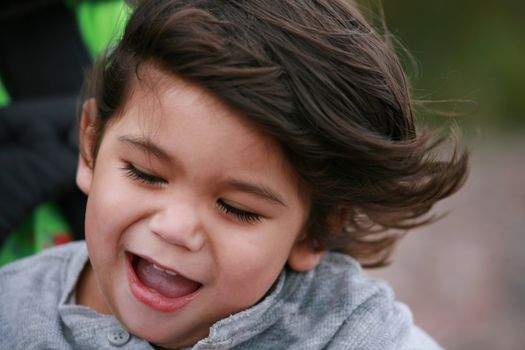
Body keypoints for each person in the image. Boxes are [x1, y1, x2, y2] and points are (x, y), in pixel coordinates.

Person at [0, 0, 468, 348]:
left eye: (236, 208)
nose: (175, 228)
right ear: (90, 145)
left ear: (316, 232)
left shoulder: (344, 331)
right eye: (145, 174)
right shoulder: (11, 310)